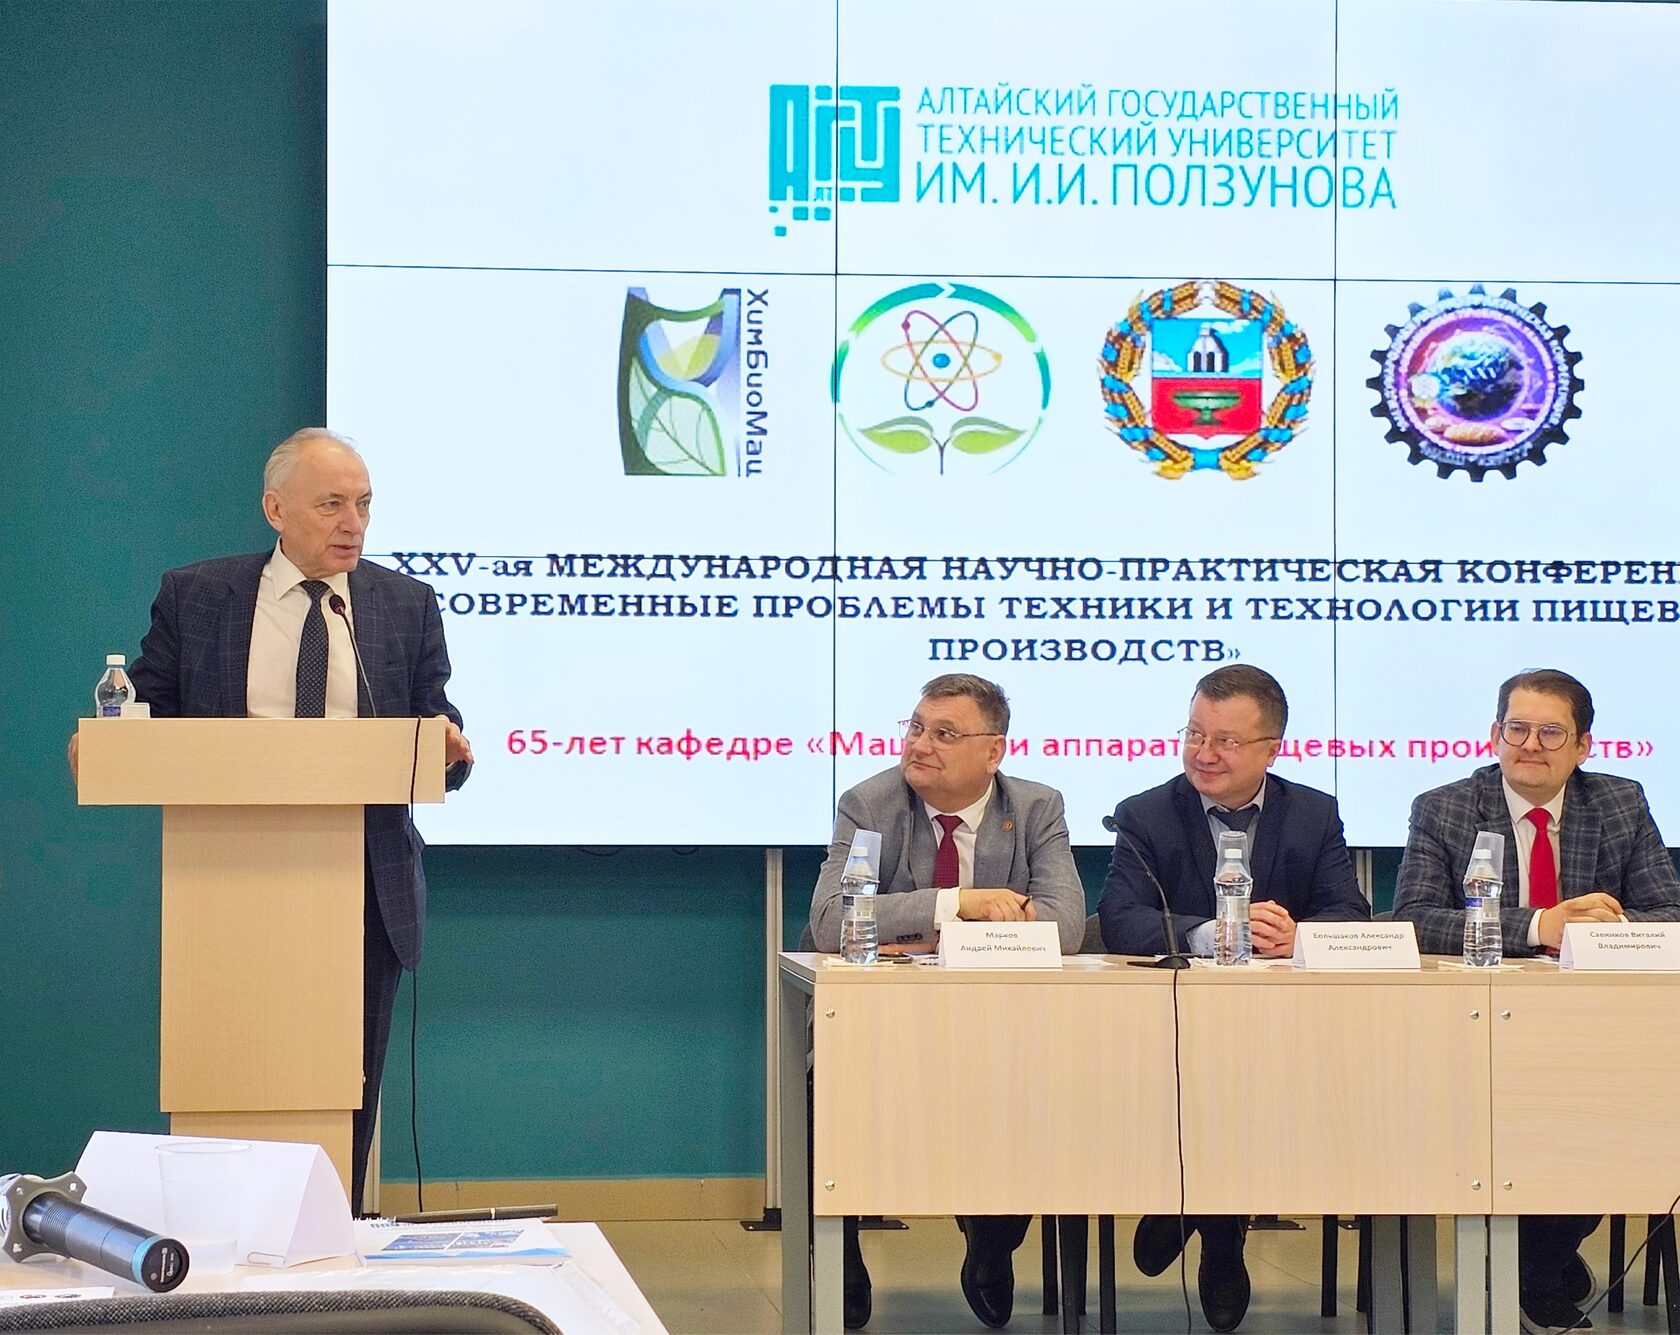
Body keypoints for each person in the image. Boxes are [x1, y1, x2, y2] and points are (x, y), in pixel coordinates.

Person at [75, 427, 472, 1215]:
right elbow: (144, 712)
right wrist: (105, 742)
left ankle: (331, 1226)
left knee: (348, 1084)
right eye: (332, 504)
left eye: (364, 504)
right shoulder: (197, 596)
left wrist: (450, 746)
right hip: (228, 883)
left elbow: (436, 726)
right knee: (229, 1064)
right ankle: (214, 1229)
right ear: (275, 509)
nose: (353, 523)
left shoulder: (404, 604)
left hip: (365, 886)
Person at [1393, 667, 1680, 1335]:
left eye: (1551, 732)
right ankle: (1541, 1272)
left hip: (1591, 1033)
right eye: (1516, 728)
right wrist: (1539, 925)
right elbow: (1412, 918)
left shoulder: (1619, 802)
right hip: (1475, 1031)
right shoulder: (1445, 807)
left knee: (1618, 1112)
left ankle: (1536, 1264)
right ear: (1494, 734)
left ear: (1582, 746)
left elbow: (1668, 912)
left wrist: (1602, 928)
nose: (1530, 745)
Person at [1098, 663, 1368, 1334]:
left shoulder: (1313, 813)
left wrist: (1298, 936)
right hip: (1170, 1031)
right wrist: (1205, 932)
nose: (1204, 753)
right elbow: (1120, 919)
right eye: (1194, 733)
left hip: (1281, 1033)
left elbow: (1350, 913)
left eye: (1225, 740)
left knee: (1256, 1084)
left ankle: (1201, 1217)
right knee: (1211, 1082)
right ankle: (1220, 1235)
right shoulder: (1144, 814)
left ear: (1271, 749)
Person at [810, 672, 1084, 1330]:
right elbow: (831, 920)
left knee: (1044, 1081)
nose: (920, 744)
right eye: (915, 727)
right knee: (833, 1077)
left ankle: (992, 1237)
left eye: (944, 733)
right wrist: (955, 904)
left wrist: (937, 931)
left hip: (1000, 1024)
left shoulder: (1036, 807)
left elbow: (1067, 925)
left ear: (993, 751)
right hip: (882, 1022)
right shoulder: (871, 804)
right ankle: (842, 1247)